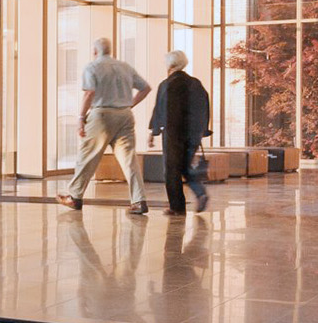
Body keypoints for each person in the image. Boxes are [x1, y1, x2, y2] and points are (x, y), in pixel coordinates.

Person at [60, 37, 151, 214]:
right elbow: (145, 88)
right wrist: (129, 104)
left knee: (88, 155)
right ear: (110, 51)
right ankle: (139, 201)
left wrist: (80, 117)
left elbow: (89, 93)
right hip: (125, 115)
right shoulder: (125, 67)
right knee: (129, 160)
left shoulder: (92, 67)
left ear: (95, 52)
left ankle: (75, 196)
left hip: (101, 115)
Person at [147, 50, 212, 215]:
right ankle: (200, 193)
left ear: (170, 65)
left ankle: (177, 206)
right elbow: (204, 105)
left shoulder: (167, 84)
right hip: (193, 133)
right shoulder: (195, 83)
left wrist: (153, 132)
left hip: (173, 133)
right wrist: (202, 130)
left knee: (171, 169)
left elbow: (160, 109)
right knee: (185, 166)